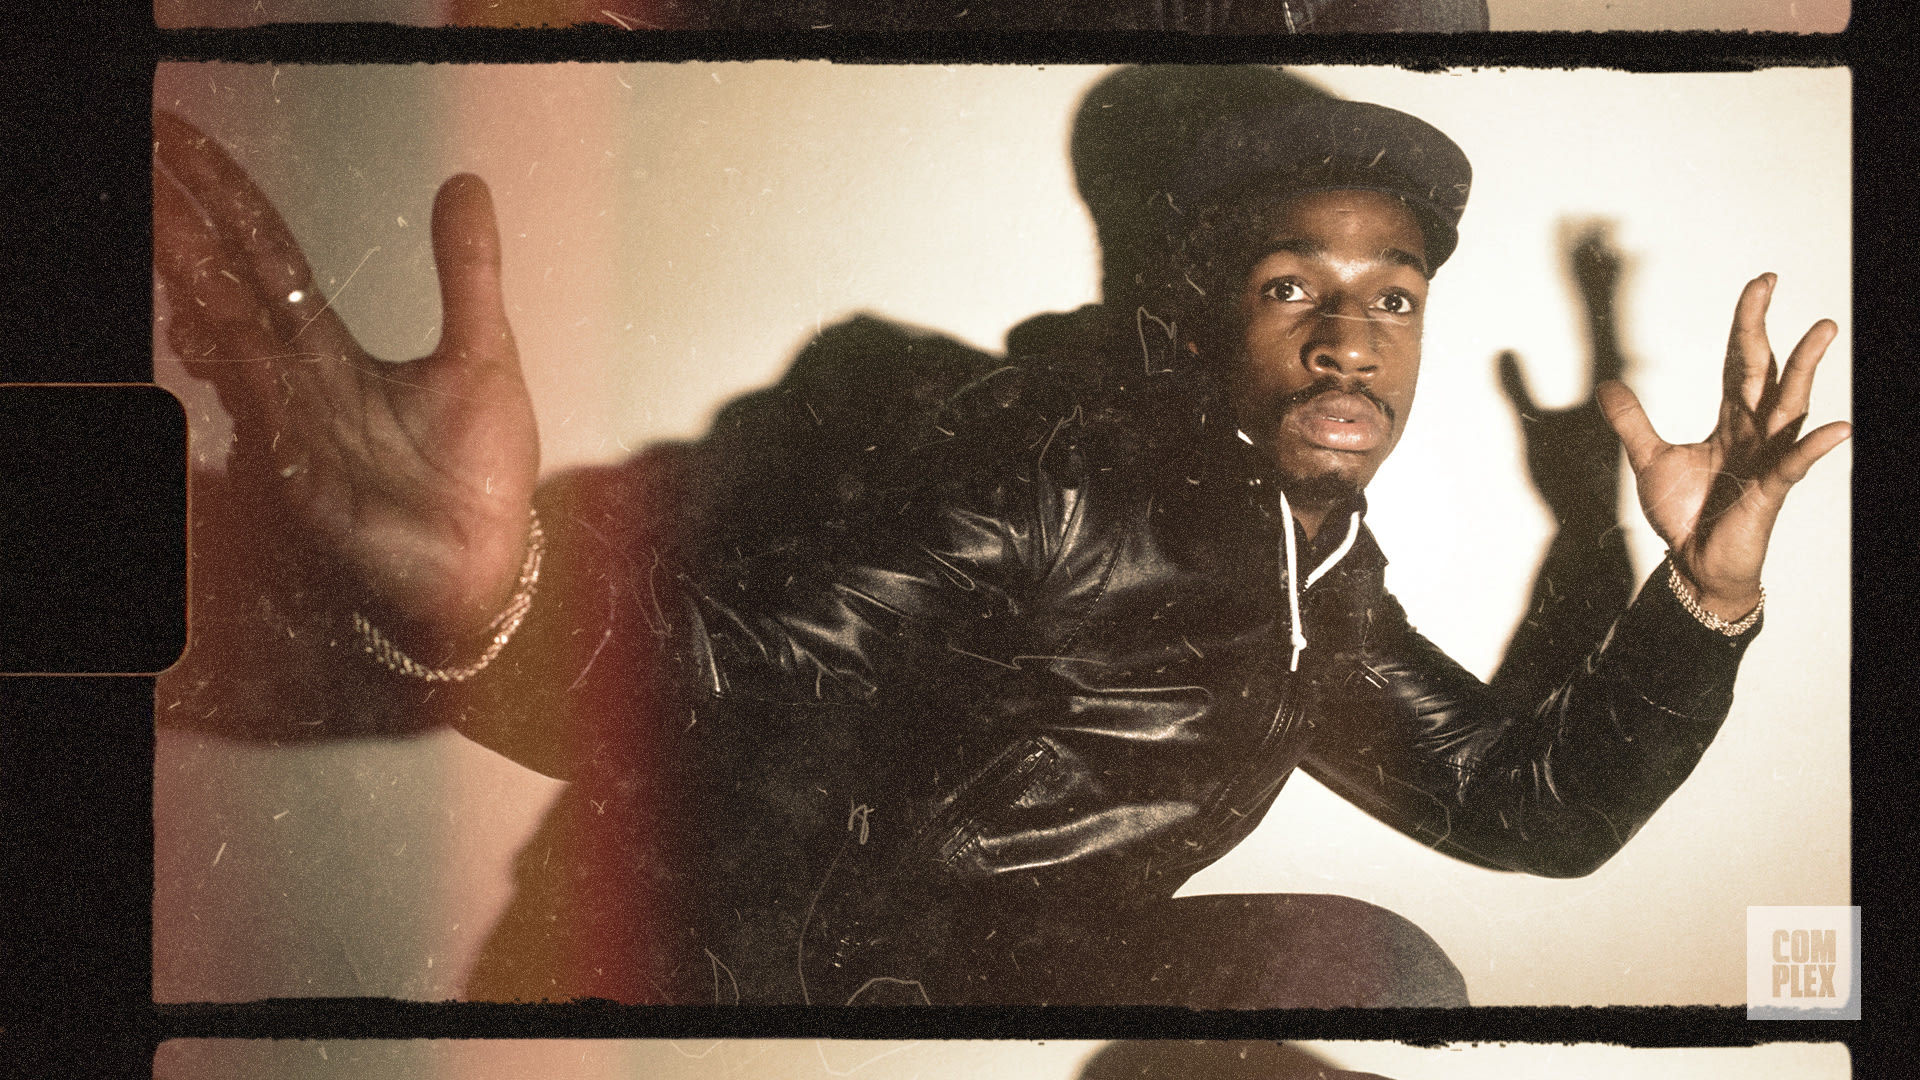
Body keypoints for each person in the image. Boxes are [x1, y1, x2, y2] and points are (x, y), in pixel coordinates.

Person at [153, 86, 1847, 1006]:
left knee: (1376, 969)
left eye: (1392, 298)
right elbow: (724, 671)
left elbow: (1525, 809)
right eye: (1294, 288)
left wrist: (1700, 590)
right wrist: (484, 599)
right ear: (1204, 318)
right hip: (807, 968)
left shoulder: (1317, 577)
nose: (1351, 342)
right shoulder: (1051, 474)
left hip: (1013, 963)